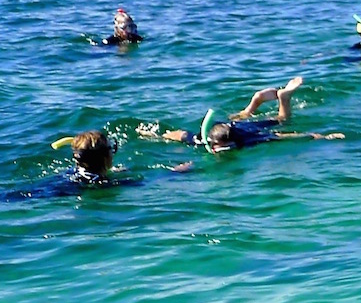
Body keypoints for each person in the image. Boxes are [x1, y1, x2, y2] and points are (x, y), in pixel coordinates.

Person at [139, 77, 343, 153]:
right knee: (240, 116)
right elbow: (181, 134)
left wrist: (318, 136)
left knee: (282, 121)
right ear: (212, 144)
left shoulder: (247, 140)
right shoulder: (203, 140)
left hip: (244, 129)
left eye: (228, 149)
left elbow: (280, 136)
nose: (224, 153)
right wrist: (157, 135)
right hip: (227, 126)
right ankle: (252, 105)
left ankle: (284, 98)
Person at [5, 129, 145, 200]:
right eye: (111, 149)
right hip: (47, 195)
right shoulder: (103, 182)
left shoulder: (72, 172)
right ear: (105, 157)